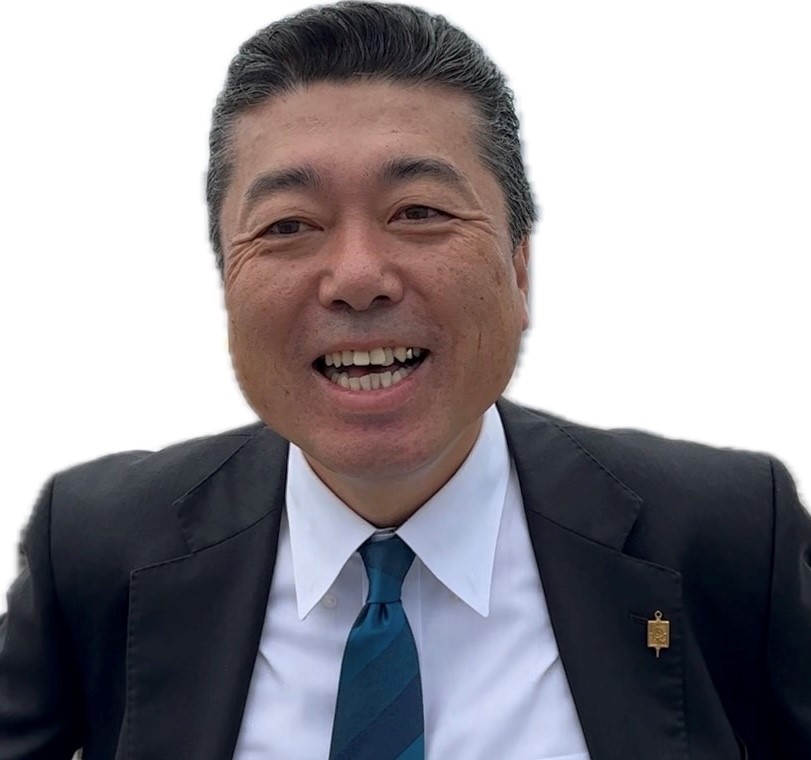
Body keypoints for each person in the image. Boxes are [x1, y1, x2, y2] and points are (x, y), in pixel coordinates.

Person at [1, 2, 809, 758]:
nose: (357, 278)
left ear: (519, 268)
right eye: (288, 225)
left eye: (419, 212)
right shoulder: (97, 549)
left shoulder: (725, 535)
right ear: (226, 283)